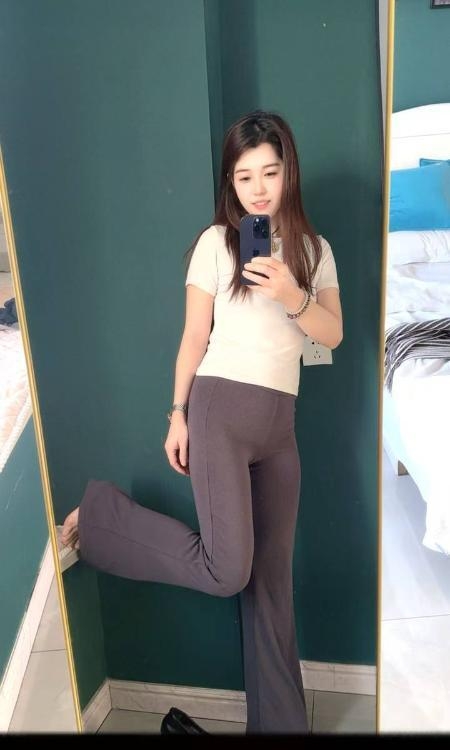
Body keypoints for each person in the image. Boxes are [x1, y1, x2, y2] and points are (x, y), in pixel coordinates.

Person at [61, 110, 343, 734]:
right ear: (230, 183)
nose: (259, 188)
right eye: (245, 177)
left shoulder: (314, 251)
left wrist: (290, 294)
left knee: (271, 583)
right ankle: (99, 517)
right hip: (220, 412)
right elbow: (194, 336)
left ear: (289, 172)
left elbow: (333, 333)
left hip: (281, 429)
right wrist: (177, 414)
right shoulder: (217, 243)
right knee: (229, 570)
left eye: (270, 172)